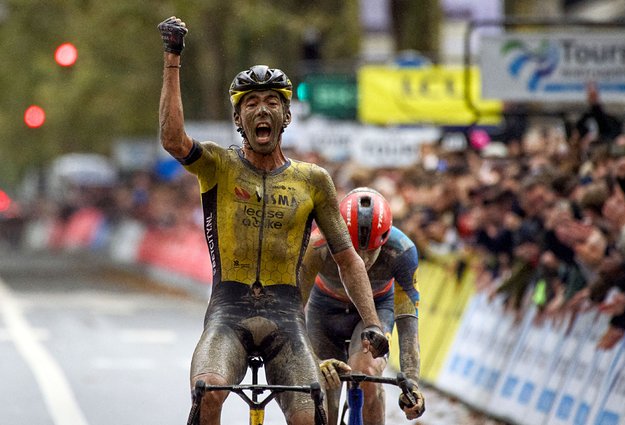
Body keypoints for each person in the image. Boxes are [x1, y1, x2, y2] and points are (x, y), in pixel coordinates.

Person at [157, 17, 389, 425]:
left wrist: (371, 324)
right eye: (250, 102)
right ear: (238, 119)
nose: (262, 109)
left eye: (272, 102)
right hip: (228, 312)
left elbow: (348, 257)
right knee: (208, 391)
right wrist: (172, 58)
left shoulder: (312, 180)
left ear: (286, 116)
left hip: (286, 317)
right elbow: (173, 140)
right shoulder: (218, 165)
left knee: (308, 411)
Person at [301, 187, 425, 425]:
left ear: (385, 241)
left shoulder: (403, 251)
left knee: (366, 372)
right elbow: (294, 308)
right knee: (324, 390)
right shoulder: (317, 244)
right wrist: (314, 361)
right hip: (323, 310)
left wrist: (412, 383)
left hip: (377, 308)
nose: (362, 261)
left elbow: (408, 318)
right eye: (353, 250)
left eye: (370, 252)